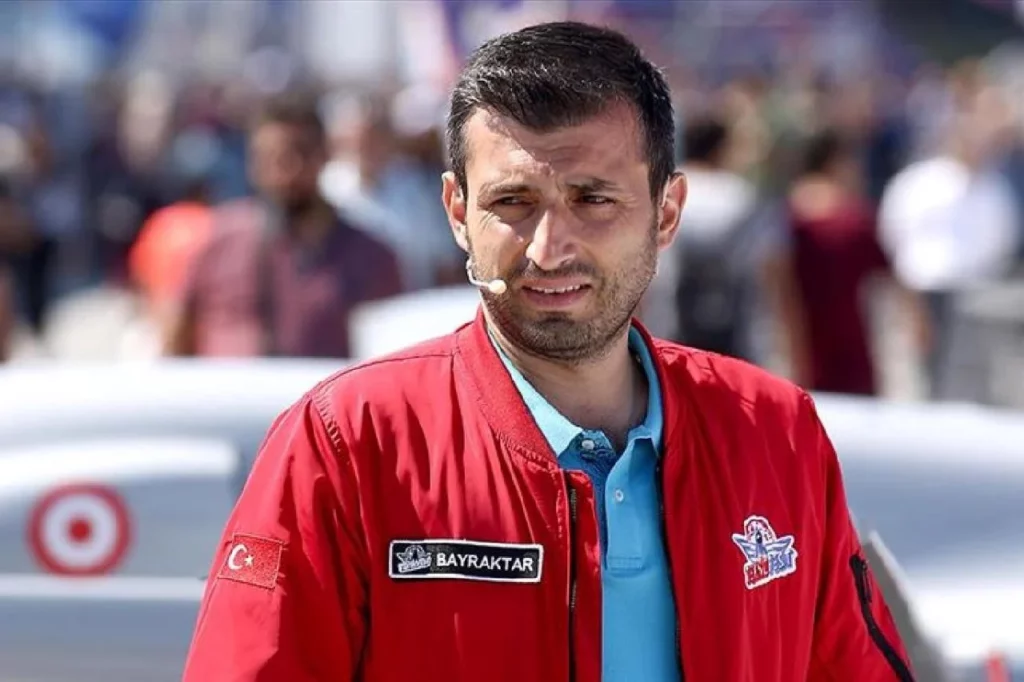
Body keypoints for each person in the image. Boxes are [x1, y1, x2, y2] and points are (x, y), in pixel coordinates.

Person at [182, 22, 914, 682]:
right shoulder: (347, 443)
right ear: (458, 212)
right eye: (513, 202)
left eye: (594, 200)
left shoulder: (775, 434)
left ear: (666, 212)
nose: (549, 247)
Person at [163, 93, 403, 359]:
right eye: (271, 158)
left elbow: (391, 354)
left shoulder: (372, 257)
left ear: (325, 155)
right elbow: (176, 340)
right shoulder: (218, 239)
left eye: (299, 153)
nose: (286, 170)